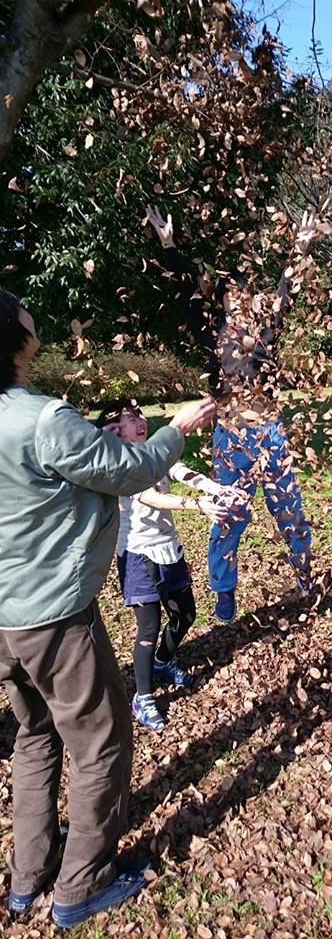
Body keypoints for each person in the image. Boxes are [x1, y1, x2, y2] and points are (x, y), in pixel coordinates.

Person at [0, 287, 215, 927]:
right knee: (101, 741)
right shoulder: (41, 419)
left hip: (4, 618)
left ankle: (27, 876)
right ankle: (80, 886)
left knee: (35, 738)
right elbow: (128, 470)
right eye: (22, 311)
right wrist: (177, 429)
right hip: (53, 617)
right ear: (17, 335)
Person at [146, 205, 316, 623]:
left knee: (289, 510)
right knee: (228, 515)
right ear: (222, 304)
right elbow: (186, 294)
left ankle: (307, 579)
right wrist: (169, 245)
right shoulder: (212, 337)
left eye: (246, 298)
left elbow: (285, 293)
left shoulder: (267, 333)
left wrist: (301, 246)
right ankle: (224, 591)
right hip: (232, 439)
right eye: (232, 299)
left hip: (270, 435)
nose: (241, 304)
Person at [95, 398, 242, 732]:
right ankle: (143, 698)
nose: (139, 421)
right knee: (148, 628)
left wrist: (213, 487)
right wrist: (195, 505)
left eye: (138, 415)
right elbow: (149, 495)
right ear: (116, 431)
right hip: (138, 556)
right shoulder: (121, 463)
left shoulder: (153, 450)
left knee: (186, 613)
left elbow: (179, 469)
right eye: (129, 419)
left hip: (168, 550)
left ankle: (163, 662)